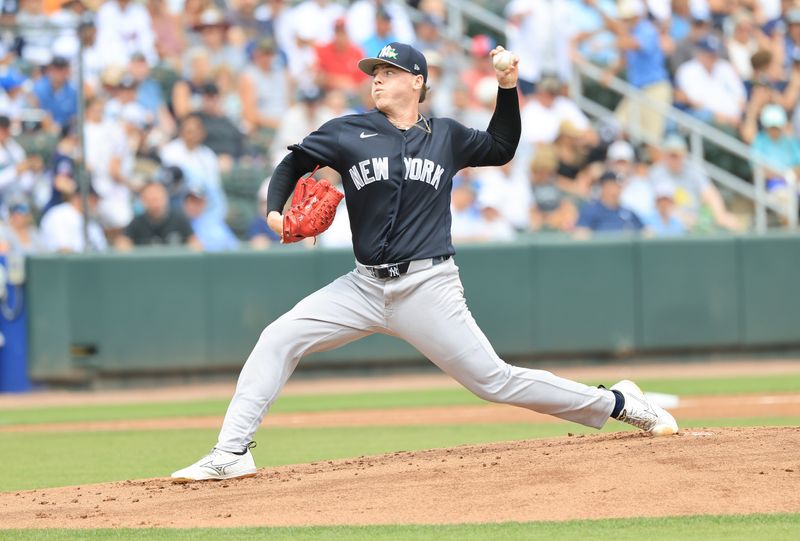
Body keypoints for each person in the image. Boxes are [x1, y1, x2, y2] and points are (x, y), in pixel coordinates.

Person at [171, 42, 678, 482]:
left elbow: (502, 147)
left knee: (493, 381)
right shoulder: (348, 131)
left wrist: (507, 87)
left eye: (388, 74)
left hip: (428, 285)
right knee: (278, 337)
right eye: (373, 74)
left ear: (416, 82)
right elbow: (293, 163)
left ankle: (618, 403)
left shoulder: (447, 135)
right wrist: (275, 210)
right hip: (362, 287)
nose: (377, 81)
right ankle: (230, 453)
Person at [115, 181, 201, 249]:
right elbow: (123, 243)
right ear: (143, 201)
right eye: (151, 199)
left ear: (165, 198)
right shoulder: (137, 222)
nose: (155, 204)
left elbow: (195, 243)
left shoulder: (179, 219)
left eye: (157, 198)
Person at [39, 184, 107, 253]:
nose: (95, 205)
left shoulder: (92, 222)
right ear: (80, 197)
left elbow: (102, 249)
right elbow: (63, 251)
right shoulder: (59, 214)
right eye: (93, 200)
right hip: (62, 263)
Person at [575, 170, 644, 235]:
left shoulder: (628, 212)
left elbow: (645, 231)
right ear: (603, 187)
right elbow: (581, 234)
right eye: (611, 185)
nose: (615, 190)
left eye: (618, 186)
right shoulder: (591, 211)